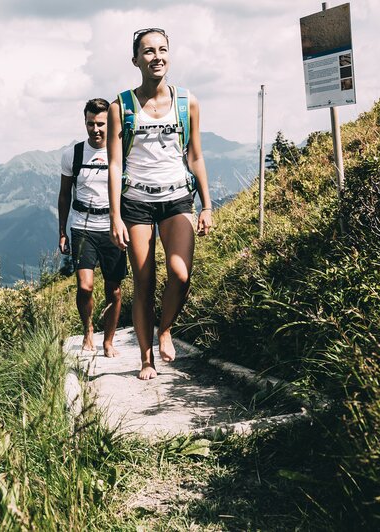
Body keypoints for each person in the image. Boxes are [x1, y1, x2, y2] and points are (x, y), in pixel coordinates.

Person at [107, 28, 213, 380]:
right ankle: (145, 357)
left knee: (181, 275)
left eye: (163, 50)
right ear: (136, 59)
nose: (157, 57)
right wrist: (115, 216)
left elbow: (195, 156)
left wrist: (208, 205)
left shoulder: (187, 102)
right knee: (144, 280)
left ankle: (165, 329)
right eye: (148, 51)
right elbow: (115, 164)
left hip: (178, 198)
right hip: (136, 202)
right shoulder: (120, 106)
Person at [58, 98, 127, 357]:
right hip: (82, 226)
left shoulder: (120, 152)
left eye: (101, 124)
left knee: (114, 289)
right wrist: (62, 231)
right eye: (90, 124)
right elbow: (64, 195)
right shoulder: (72, 154)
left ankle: (108, 341)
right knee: (85, 286)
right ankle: (88, 331)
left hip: (112, 227)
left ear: (110, 123)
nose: (96, 129)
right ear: (84, 123)